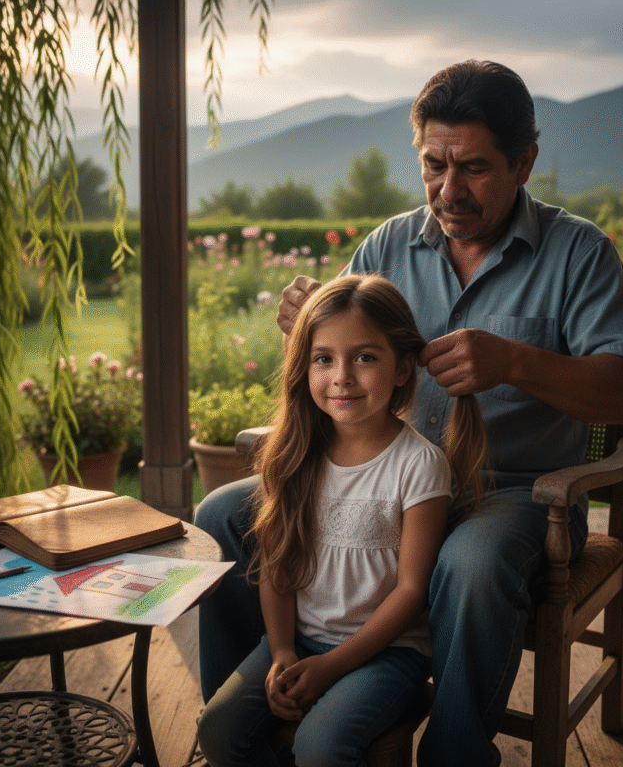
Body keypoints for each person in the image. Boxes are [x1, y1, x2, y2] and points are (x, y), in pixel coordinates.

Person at [195, 60, 623, 766]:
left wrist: (515, 363)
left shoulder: (579, 253)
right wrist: (312, 323)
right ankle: (262, 714)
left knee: (470, 564)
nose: (448, 189)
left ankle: (454, 753)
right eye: (432, 165)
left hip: (512, 494)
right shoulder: (386, 246)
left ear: (525, 160)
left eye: (472, 167)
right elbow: (343, 353)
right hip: (378, 480)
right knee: (223, 516)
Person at [196, 274, 488, 766]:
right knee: (219, 731)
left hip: (387, 654)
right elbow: (278, 566)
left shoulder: (419, 466)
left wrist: (328, 668)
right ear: (303, 367)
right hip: (298, 640)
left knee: (320, 746)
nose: (342, 376)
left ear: (400, 368)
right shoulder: (296, 454)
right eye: (323, 358)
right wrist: (285, 650)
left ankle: (404, 698)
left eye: (365, 357)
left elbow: (412, 592)